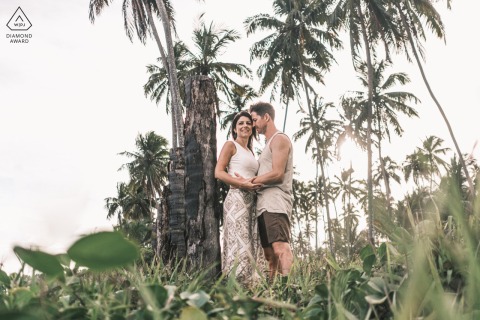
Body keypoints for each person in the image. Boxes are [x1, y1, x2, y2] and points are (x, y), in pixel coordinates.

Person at [241, 102, 294, 279]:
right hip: (263, 204)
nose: (253, 125)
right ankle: (273, 293)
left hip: (275, 202)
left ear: (266, 117)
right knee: (269, 255)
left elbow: (278, 174)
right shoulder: (267, 144)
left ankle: (289, 290)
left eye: (254, 120)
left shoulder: (280, 139)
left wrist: (250, 181)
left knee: (280, 248)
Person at [214, 110, 266, 285]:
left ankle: (250, 287)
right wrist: (242, 184)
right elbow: (218, 172)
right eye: (240, 123)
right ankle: (234, 286)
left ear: (252, 128)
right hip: (236, 198)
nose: (245, 126)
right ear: (235, 129)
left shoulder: (250, 151)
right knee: (238, 244)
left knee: (250, 244)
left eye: (248, 123)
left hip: (251, 201)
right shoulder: (231, 145)